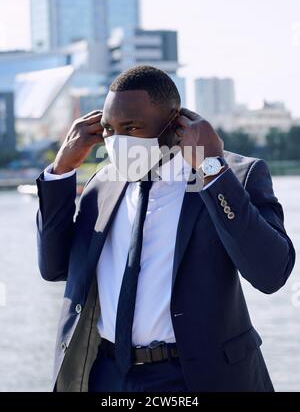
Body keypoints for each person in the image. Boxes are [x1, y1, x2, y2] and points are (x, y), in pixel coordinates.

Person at [36, 65, 295, 392]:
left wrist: (211, 169)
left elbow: (271, 273)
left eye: (132, 127)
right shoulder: (102, 184)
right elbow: (54, 268)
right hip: (107, 375)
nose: (118, 142)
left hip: (196, 377)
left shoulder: (233, 175)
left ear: (175, 125)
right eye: (109, 130)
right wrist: (60, 171)